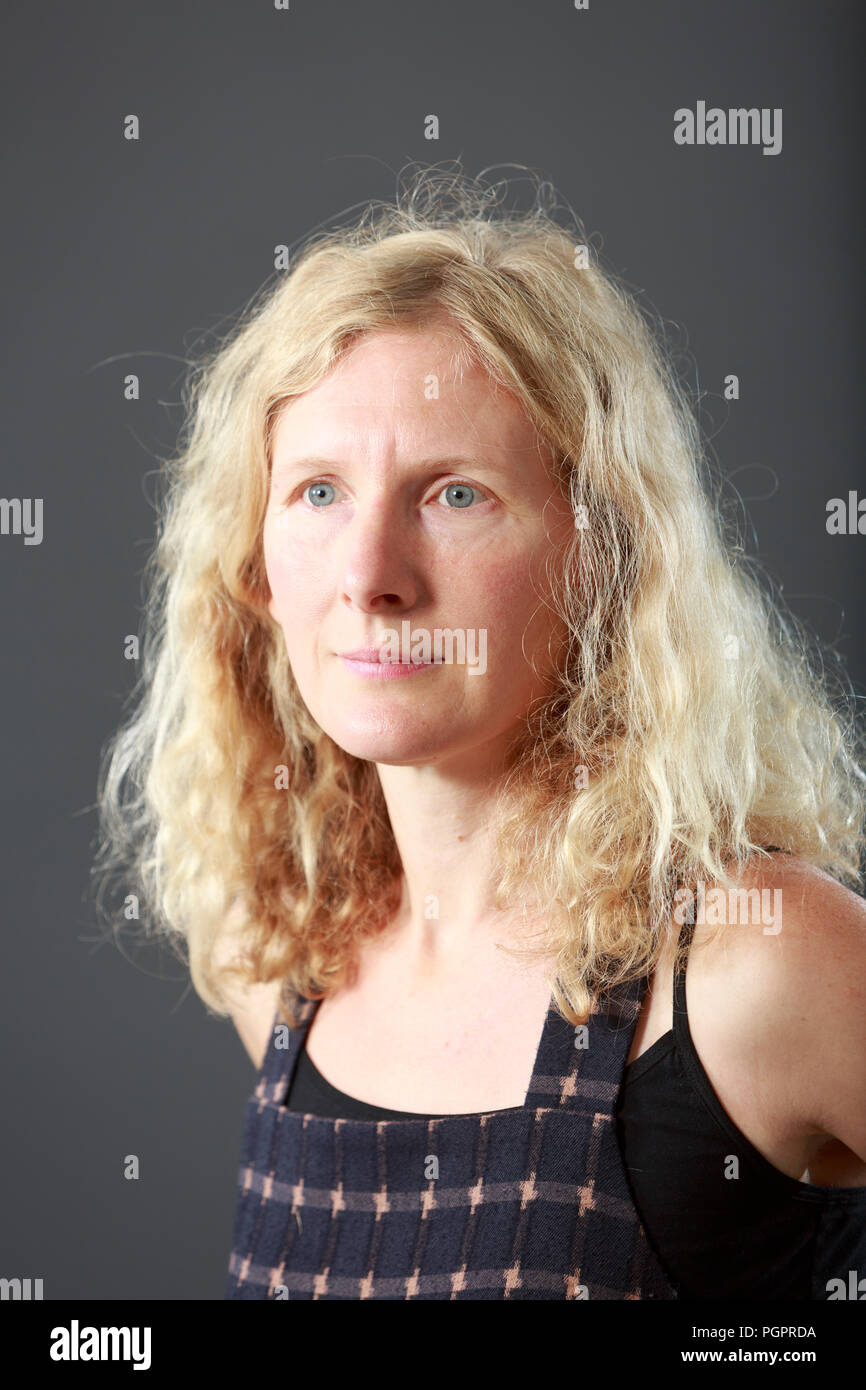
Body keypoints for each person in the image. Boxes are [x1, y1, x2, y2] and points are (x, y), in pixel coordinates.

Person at [92, 165, 866, 1300]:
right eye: (316, 492)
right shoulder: (285, 964)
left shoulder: (762, 962)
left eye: (453, 493)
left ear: (601, 559)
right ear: (253, 568)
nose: (369, 577)